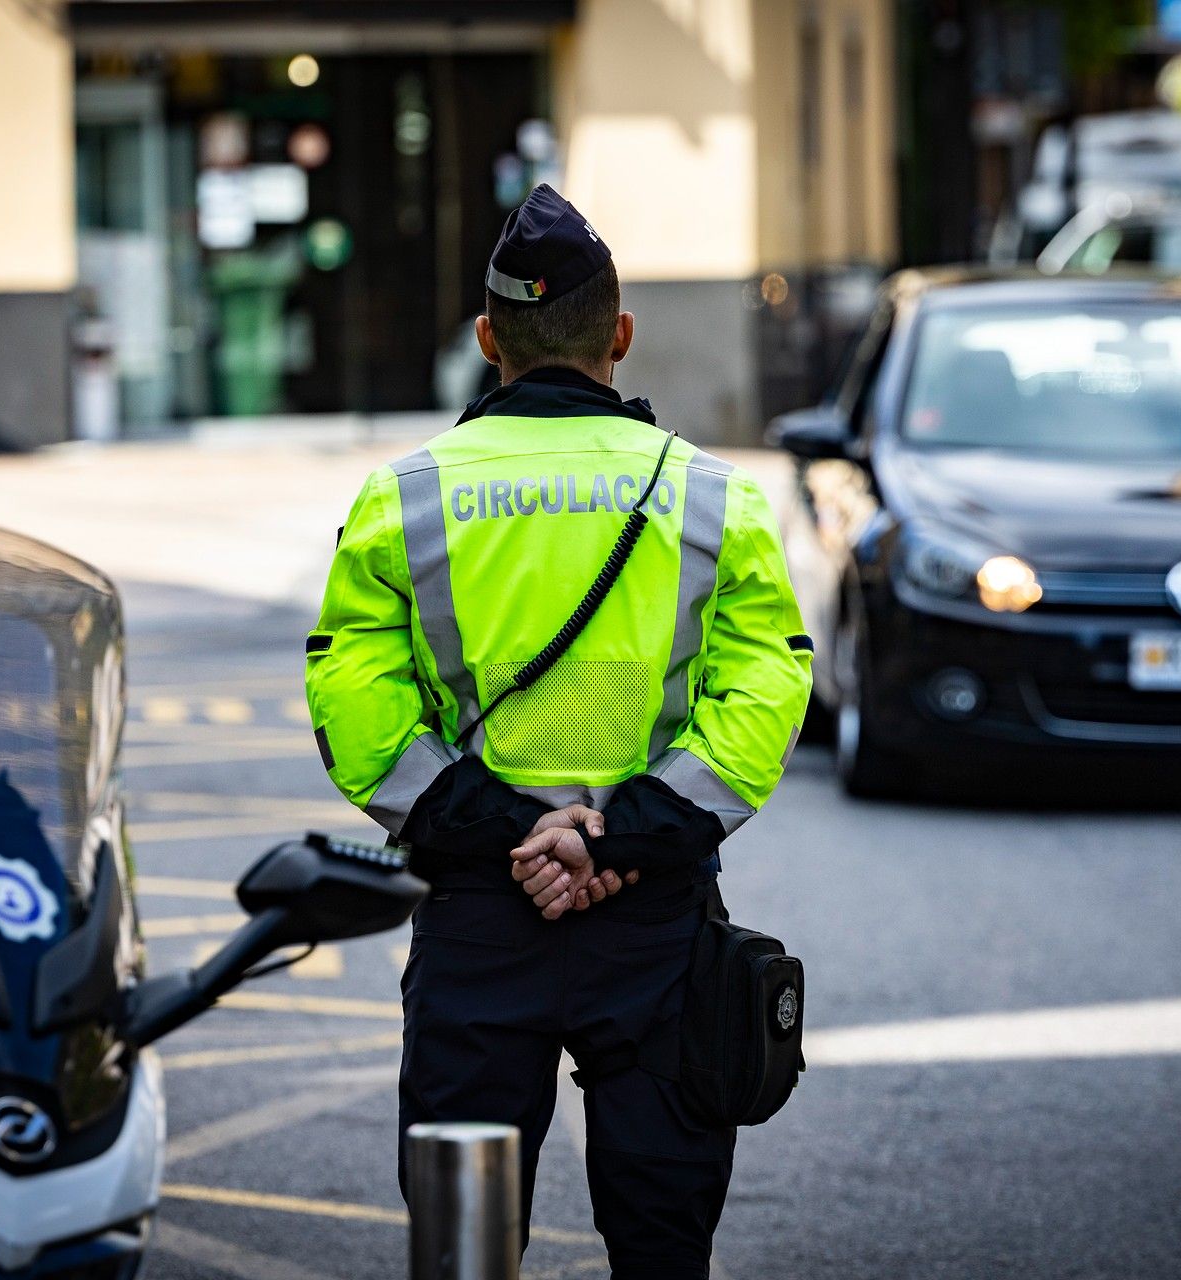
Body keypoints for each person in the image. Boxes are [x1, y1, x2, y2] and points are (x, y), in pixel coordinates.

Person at [304, 184, 812, 1279]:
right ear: (619, 335)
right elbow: (765, 685)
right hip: (655, 916)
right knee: (663, 1243)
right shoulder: (713, 499)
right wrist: (614, 835)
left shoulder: (408, 497)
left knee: (465, 1248)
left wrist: (505, 833)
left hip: (482, 916)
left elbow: (353, 687)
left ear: (488, 339)